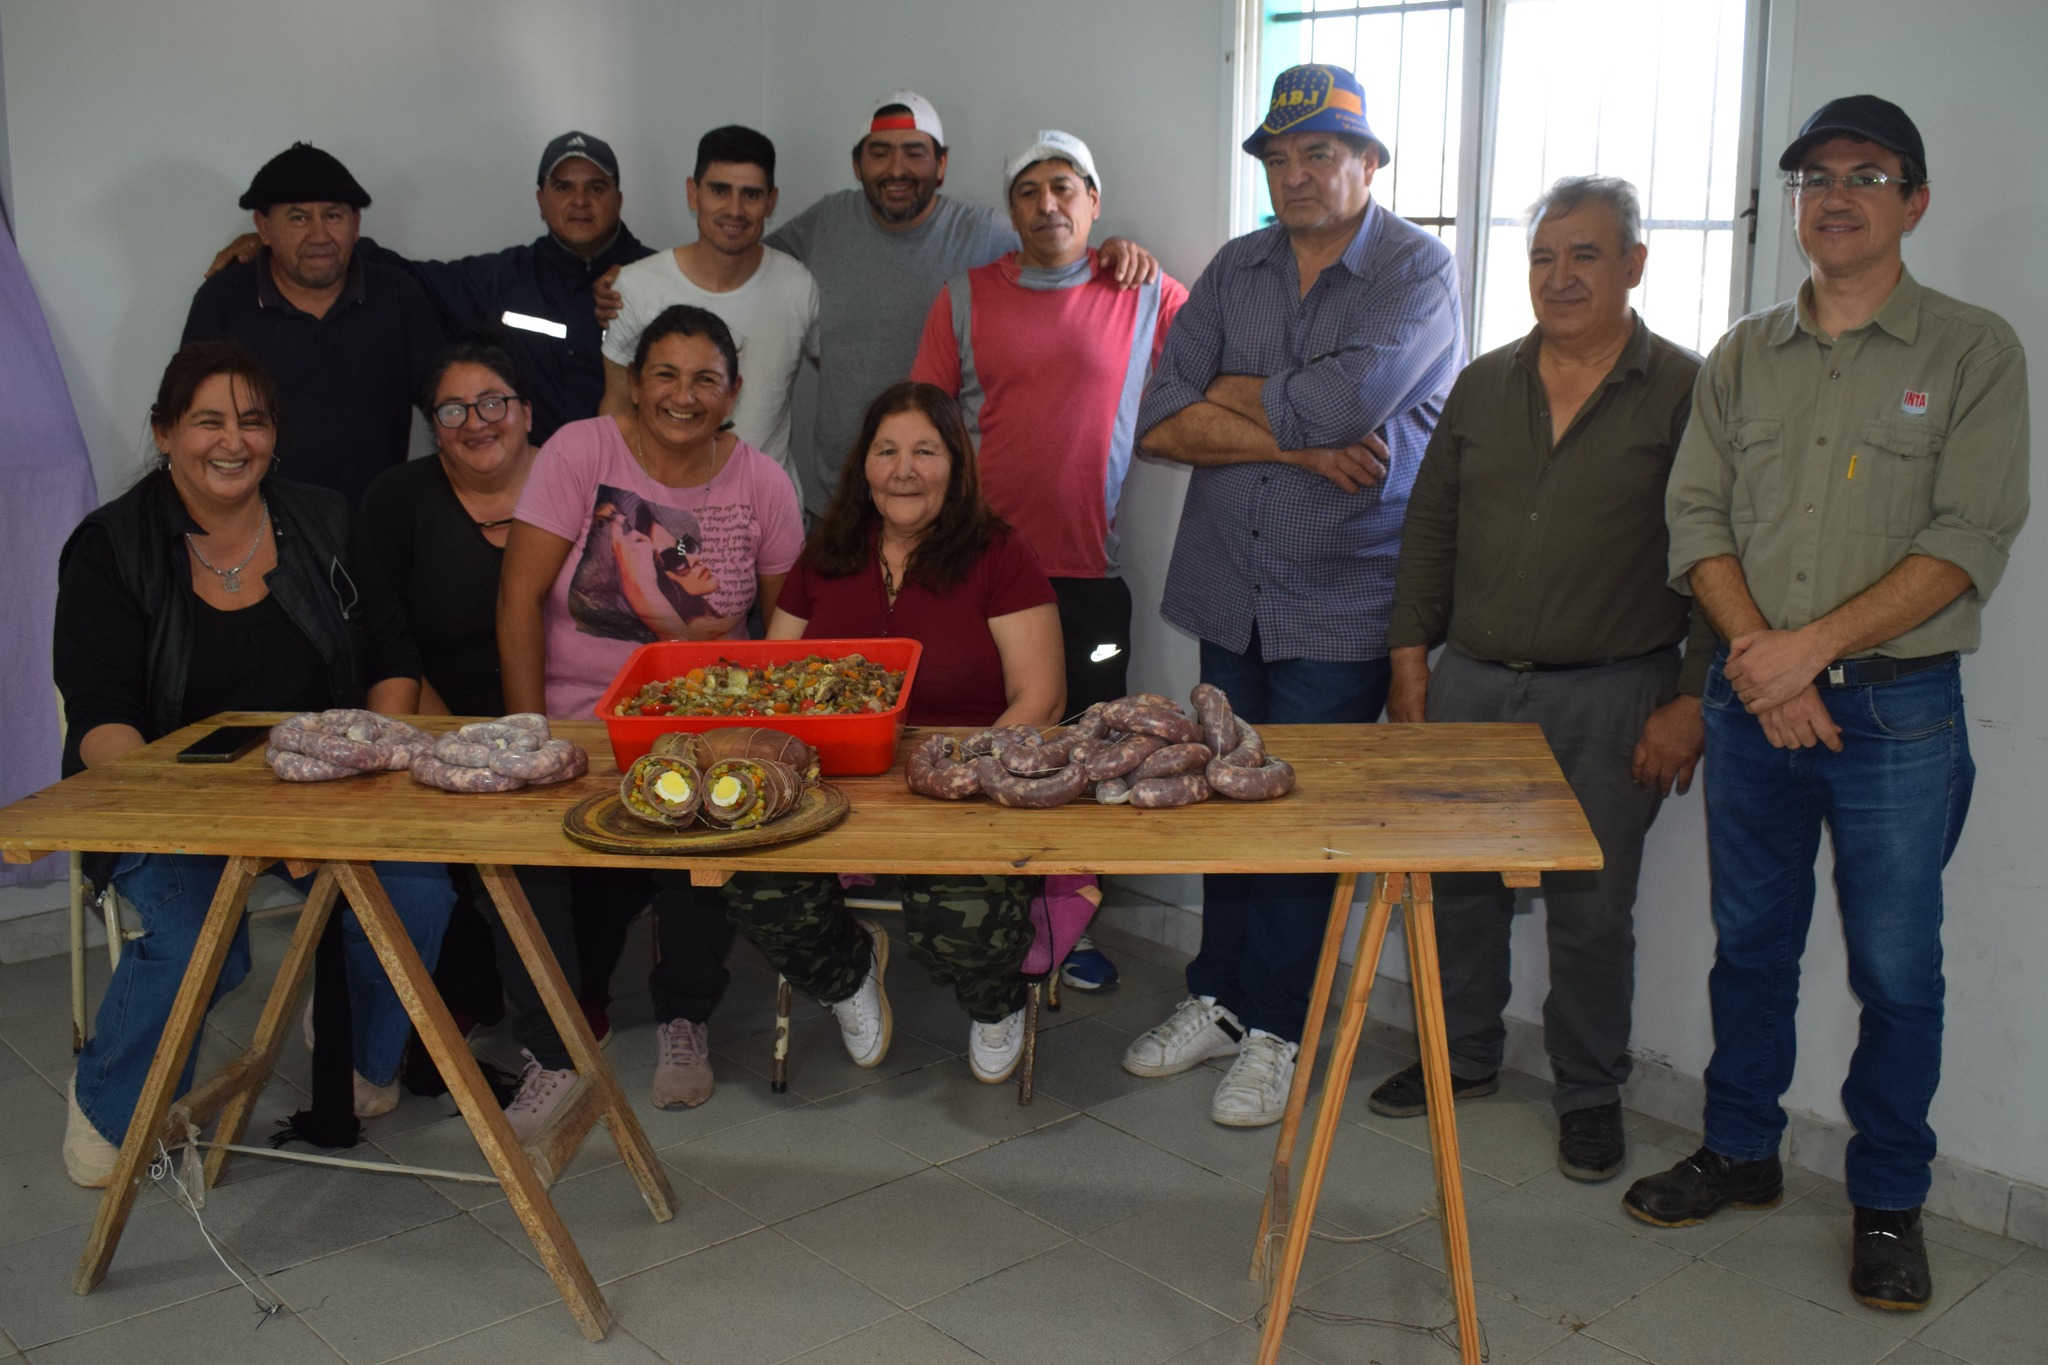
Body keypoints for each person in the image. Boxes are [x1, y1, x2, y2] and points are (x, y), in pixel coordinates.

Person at [1629, 96, 2029, 1312]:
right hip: (1754, 703)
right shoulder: (1743, 352)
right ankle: (1741, 1150)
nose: (1834, 195)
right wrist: (1760, 656)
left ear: (1913, 201)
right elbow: (1693, 518)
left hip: (1896, 718)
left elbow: (1967, 539)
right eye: (1812, 176)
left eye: (1866, 174)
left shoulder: (1971, 351)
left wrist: (1802, 653)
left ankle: (1888, 1203)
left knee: (1898, 971)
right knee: (1749, 950)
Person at [1121, 63, 1465, 1128]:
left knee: (1302, 817)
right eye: (1278, 156)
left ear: (1369, 161)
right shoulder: (1237, 265)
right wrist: (1310, 451)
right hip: (1230, 588)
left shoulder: (1418, 270)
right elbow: (1158, 412)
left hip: (1339, 595)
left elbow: (1349, 400)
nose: (1297, 173)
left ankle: (1280, 1027)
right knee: (1225, 794)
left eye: (1320, 152)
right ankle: (1218, 998)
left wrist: (1235, 396)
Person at [1369, 176, 1710, 1182]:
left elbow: (1717, 553)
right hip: (1472, 682)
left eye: (1584, 255)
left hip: (1613, 695)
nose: (1558, 277)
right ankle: (1461, 1057)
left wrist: (1690, 696)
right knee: (1458, 886)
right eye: (1541, 257)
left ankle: (1588, 1091)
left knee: (1593, 906)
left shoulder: (1687, 391)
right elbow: (1429, 525)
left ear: (1634, 265)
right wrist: (1406, 659)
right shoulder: (1483, 384)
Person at [54, 342, 454, 1187]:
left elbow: (391, 657)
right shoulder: (109, 547)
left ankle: (357, 1054)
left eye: (253, 420)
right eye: (207, 420)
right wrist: (208, 822)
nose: (232, 441)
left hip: (320, 789)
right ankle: (108, 1101)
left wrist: (371, 767)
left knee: (416, 888)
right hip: (162, 797)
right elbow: (101, 720)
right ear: (164, 433)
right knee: (205, 936)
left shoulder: (324, 518)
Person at [497, 305, 803, 1133]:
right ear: (634, 384)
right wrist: (533, 734)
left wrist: (756, 740)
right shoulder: (579, 451)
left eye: (706, 378)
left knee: (706, 844)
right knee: (524, 865)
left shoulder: (764, 484)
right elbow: (518, 598)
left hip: (707, 727)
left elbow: (787, 632)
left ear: (733, 391)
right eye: (664, 374)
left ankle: (685, 1019)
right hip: (577, 721)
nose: (683, 394)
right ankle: (552, 1049)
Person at [720, 381, 1065, 1084]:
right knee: (755, 885)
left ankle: (995, 999)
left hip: (961, 782)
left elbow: (1043, 696)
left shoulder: (1000, 554)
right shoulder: (827, 552)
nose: (904, 468)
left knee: (960, 918)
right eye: (887, 450)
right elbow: (774, 683)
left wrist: (965, 772)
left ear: (956, 465)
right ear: (863, 465)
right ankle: (848, 974)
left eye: (925, 451)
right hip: (830, 780)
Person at [909, 129, 1189, 992]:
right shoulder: (964, 296)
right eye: (1028, 191)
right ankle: (981, 911)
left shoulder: (1143, 294)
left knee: (1084, 760)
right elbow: (922, 425)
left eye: (1064, 187)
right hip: (975, 574)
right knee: (989, 749)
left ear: (1094, 202)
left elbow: (1222, 361)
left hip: (1086, 576)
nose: (1048, 205)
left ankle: (1068, 917)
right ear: (1011, 209)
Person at [742, 91, 1155, 514]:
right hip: (838, 498)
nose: (896, 169)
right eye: (879, 153)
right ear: (856, 164)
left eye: (914, 153)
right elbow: (745, 262)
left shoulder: (984, 233)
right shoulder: (825, 223)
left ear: (941, 165)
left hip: (937, 505)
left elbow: (1056, 245)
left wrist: (1111, 252)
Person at [209, 132, 653, 445]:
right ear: (540, 198)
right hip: (536, 495)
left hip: (645, 489)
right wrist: (280, 245)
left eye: (596, 187)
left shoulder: (663, 280)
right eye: (563, 186)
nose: (580, 201)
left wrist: (640, 281)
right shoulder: (497, 280)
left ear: (618, 196)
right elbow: (403, 273)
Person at [181, 143, 443, 508]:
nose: (319, 235)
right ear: (264, 227)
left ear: (356, 225)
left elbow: (447, 405)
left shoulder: (397, 295)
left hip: (376, 528)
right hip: (256, 530)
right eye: (298, 218)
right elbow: (194, 425)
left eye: (333, 216)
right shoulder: (223, 300)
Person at [601, 126, 816, 497]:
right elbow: (616, 405)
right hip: (661, 513)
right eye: (719, 190)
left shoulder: (798, 283)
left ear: (771, 201)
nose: (734, 210)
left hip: (769, 511)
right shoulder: (635, 287)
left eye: (751, 194)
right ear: (693, 193)